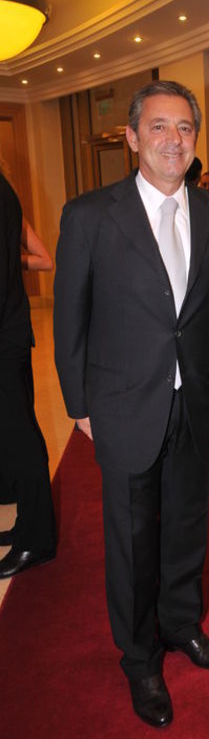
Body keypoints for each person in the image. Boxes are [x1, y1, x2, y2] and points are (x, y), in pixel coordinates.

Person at [54, 80, 209, 728]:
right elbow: (70, 317)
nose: (173, 140)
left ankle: (182, 624)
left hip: (196, 400)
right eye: (159, 126)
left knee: (188, 523)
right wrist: (79, 401)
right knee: (132, 540)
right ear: (133, 137)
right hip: (124, 402)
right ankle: (139, 658)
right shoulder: (89, 215)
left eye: (184, 127)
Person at [0, 172, 56, 575]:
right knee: (18, 436)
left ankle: (36, 539)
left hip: (4, 336)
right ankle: (29, 525)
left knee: (19, 438)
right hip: (11, 331)